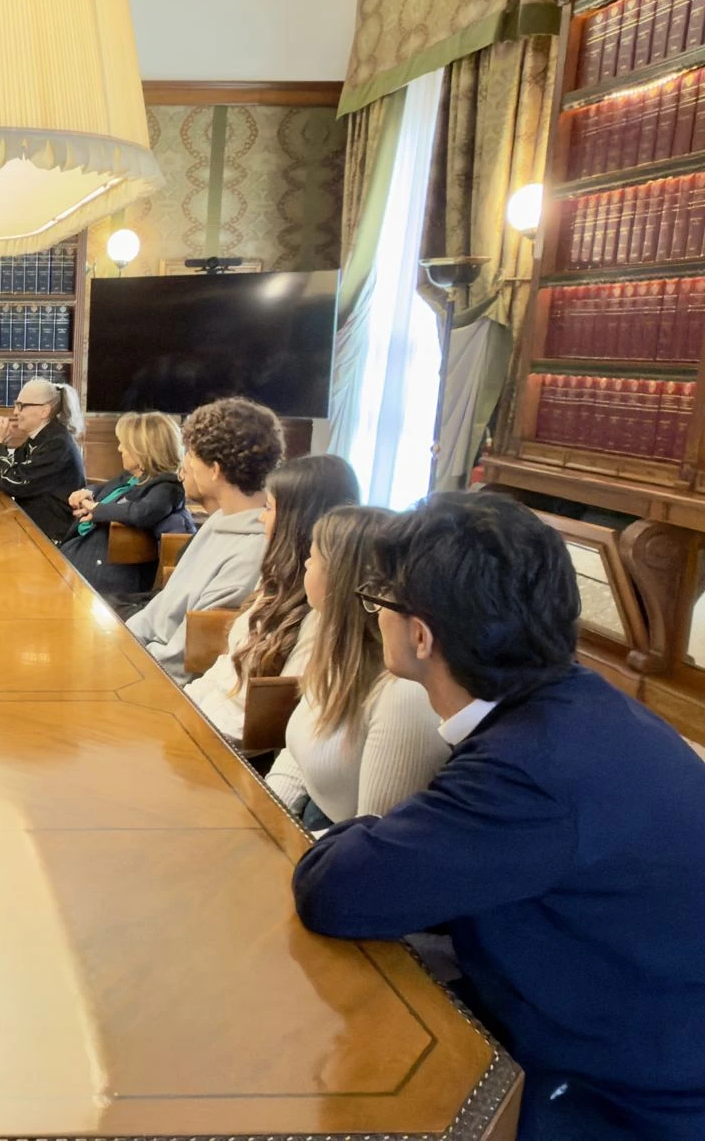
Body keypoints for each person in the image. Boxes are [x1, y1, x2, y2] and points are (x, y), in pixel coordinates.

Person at [293, 493, 705, 1140]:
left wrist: (370, 834)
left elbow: (334, 890)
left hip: (621, 1102)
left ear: (420, 634)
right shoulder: (574, 705)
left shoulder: (531, 770)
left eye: (379, 604)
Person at [263, 506, 446, 828]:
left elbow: (374, 836)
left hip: (339, 845)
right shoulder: (327, 636)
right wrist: (259, 819)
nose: (305, 563)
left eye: (313, 555)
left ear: (340, 577)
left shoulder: (405, 695)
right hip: (309, 823)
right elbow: (300, 755)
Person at [184, 453, 360, 743]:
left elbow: (271, 717)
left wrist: (193, 723)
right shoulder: (275, 577)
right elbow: (227, 667)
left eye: (269, 507)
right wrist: (182, 703)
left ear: (295, 520)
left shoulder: (318, 610)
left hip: (231, 742)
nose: (261, 516)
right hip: (208, 716)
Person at [125, 397, 285, 683]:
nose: (183, 465)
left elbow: (184, 657)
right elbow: (160, 610)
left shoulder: (254, 549)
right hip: (141, 658)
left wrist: (127, 663)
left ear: (215, 470)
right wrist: (121, 639)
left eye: (191, 455)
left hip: (161, 682)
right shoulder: (220, 520)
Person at [59, 412, 194, 596]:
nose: (120, 449)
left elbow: (141, 512)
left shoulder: (167, 487)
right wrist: (88, 492)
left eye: (126, 445)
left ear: (143, 450)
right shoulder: (129, 478)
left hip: (107, 581)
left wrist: (97, 510)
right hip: (79, 560)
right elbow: (103, 489)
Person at [0, 377, 87, 542]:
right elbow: (7, 478)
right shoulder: (41, 437)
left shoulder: (57, 443)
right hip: (31, 525)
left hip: (52, 536)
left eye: (21, 406)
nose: (15, 412)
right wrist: (3, 446)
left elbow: (14, 483)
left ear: (44, 411)